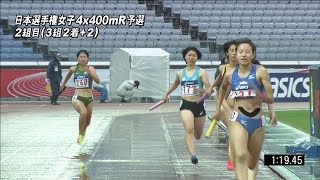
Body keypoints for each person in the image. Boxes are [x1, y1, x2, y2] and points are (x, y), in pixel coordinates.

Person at [213, 38, 277, 179]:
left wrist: (272, 112)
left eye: (247, 52)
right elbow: (221, 91)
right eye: (240, 51)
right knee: (240, 155)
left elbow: (270, 97)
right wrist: (218, 110)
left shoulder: (261, 72)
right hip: (238, 118)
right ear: (235, 54)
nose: (243, 54)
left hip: (257, 120)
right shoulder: (230, 75)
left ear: (253, 55)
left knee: (252, 161)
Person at [162, 47, 211, 164]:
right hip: (186, 104)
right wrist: (166, 94)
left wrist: (201, 91)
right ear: (185, 57)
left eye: (194, 55)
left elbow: (209, 90)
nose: (191, 57)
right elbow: (175, 85)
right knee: (189, 129)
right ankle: (193, 155)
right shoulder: (180, 73)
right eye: (189, 55)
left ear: (197, 57)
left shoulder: (201, 72)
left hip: (199, 104)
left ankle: (195, 133)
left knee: (198, 135)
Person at [207, 40, 238, 170]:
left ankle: (235, 158)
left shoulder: (247, 69)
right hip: (225, 104)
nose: (235, 53)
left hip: (239, 105)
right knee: (233, 131)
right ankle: (231, 161)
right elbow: (218, 85)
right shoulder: (223, 68)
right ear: (227, 53)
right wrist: (218, 110)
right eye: (232, 51)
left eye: (237, 50)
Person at [60, 50, 100, 145]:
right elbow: (68, 75)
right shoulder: (73, 69)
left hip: (89, 99)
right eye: (81, 57)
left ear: (87, 59)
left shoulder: (91, 68)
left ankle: (83, 131)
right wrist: (63, 84)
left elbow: (98, 81)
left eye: (84, 57)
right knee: (83, 113)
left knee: (88, 121)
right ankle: (80, 134)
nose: (83, 58)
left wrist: (89, 72)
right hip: (78, 98)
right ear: (78, 58)